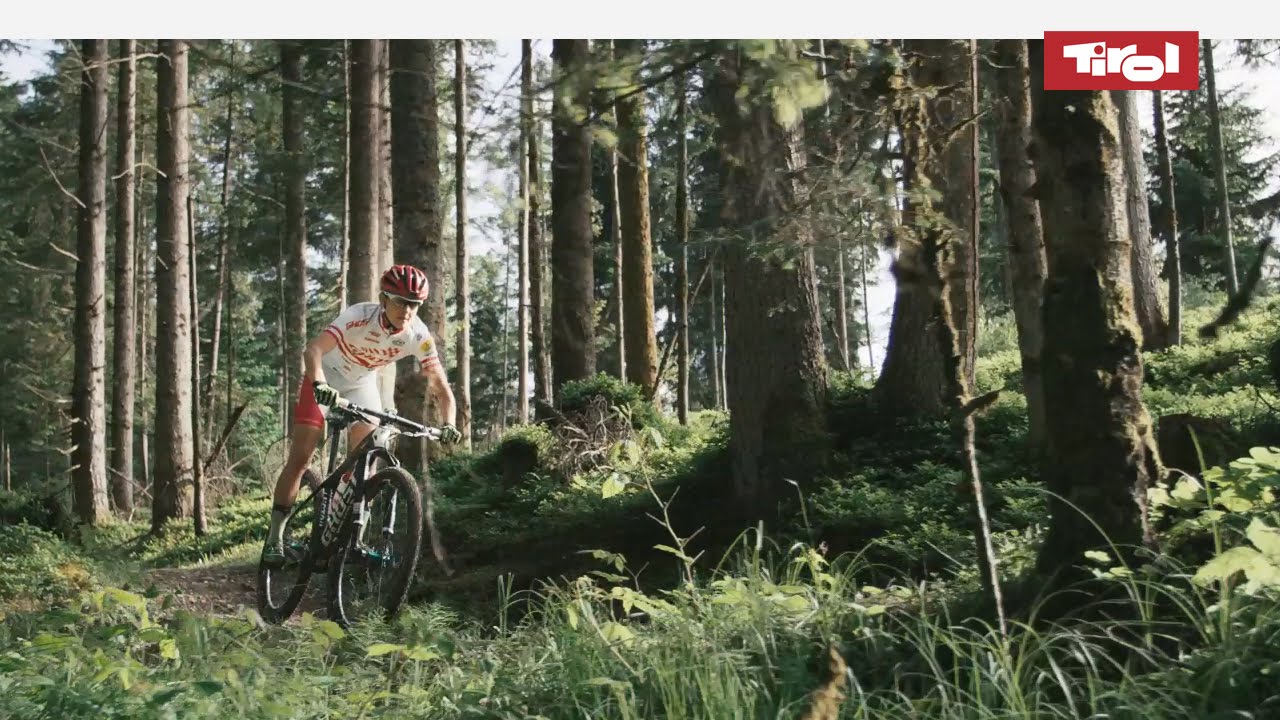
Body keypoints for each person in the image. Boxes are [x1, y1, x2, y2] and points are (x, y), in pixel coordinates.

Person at [261, 264, 462, 568]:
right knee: (301, 456)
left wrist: (449, 424)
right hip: (325, 379)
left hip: (360, 385)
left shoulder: (418, 336)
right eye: (400, 302)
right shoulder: (359, 315)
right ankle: (274, 536)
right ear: (384, 298)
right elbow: (313, 350)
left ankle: (347, 534)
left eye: (414, 304)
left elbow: (442, 388)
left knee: (366, 460)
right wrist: (319, 384)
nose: (407, 311)